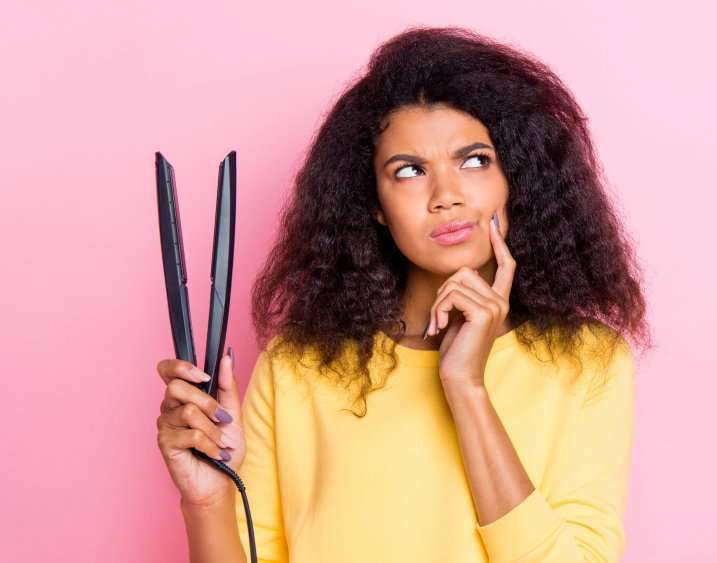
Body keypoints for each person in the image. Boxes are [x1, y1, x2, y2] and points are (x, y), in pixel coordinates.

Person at [155, 25, 652, 562]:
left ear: (517, 177)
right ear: (373, 204)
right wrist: (206, 500)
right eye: (410, 171)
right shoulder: (298, 366)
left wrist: (466, 388)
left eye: (475, 160)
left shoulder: (589, 363)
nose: (447, 196)